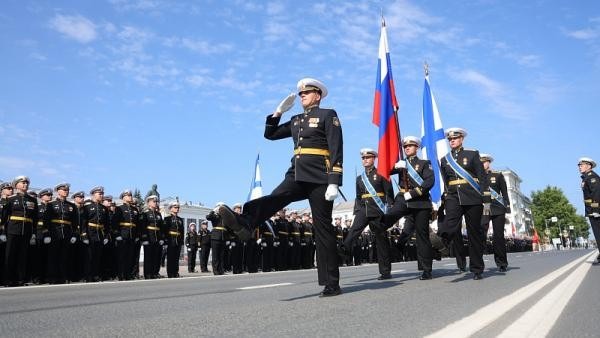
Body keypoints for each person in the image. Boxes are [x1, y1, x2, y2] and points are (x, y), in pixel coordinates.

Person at [213, 78, 344, 297]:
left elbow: (336, 147)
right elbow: (270, 135)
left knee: (323, 229)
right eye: (300, 93)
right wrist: (277, 112)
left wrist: (334, 181)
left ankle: (332, 282)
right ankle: (245, 222)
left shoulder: (328, 115)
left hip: (320, 176)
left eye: (307, 92)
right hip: (297, 173)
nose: (302, 95)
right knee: (276, 197)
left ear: (317, 95)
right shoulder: (296, 120)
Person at [438, 128, 490, 280]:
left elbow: (482, 177)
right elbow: (446, 181)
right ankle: (442, 243)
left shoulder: (472, 154)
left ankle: (477, 269)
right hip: (453, 196)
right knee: (450, 224)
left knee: (474, 233)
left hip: (472, 196)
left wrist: (486, 199)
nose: (452, 141)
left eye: (455, 138)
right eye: (450, 139)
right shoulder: (445, 159)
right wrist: (446, 196)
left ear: (462, 139)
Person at [342, 148, 394, 279]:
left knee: (381, 241)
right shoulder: (359, 178)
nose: (365, 160)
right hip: (363, 210)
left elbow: (389, 194)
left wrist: (389, 212)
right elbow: (358, 196)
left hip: (378, 210)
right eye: (363, 158)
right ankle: (342, 252)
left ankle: (385, 271)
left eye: (368, 157)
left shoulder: (382, 174)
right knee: (353, 231)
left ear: (374, 159)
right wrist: (357, 210)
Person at [2, 176, 38, 286]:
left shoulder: (32, 200)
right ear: (16, 185)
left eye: (26, 183)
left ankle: (20, 279)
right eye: (22, 183)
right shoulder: (11, 199)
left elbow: (35, 218)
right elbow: (4, 217)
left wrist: (33, 234)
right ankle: (8, 279)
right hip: (13, 230)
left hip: (26, 231)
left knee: (22, 256)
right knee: (10, 255)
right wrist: (3, 232)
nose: (25, 185)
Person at [480, 154, 511, 272]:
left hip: (498, 207)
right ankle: (479, 261)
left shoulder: (497, 175)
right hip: (486, 206)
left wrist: (507, 207)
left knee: (498, 236)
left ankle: (501, 262)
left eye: (485, 162)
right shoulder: (477, 176)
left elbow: (504, 192)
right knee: (481, 231)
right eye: (481, 162)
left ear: (489, 163)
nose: (483, 164)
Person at [45, 183, 78, 284]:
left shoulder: (71, 206)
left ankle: (63, 276)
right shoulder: (51, 204)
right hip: (55, 233)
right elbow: (46, 220)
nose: (66, 191)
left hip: (67, 233)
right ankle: (53, 277)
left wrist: (74, 235)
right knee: (53, 256)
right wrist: (47, 234)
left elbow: (75, 222)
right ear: (58, 191)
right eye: (64, 190)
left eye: (67, 190)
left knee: (64, 256)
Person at [112, 190, 139, 280]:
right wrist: (117, 234)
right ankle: (121, 275)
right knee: (122, 256)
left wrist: (137, 236)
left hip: (132, 236)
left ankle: (128, 274)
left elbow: (137, 224)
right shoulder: (119, 208)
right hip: (123, 235)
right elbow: (114, 222)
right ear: (123, 197)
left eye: (131, 195)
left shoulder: (134, 210)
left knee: (130, 256)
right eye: (128, 195)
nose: (130, 197)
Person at [579, 157, 600, 264]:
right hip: (591, 210)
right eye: (579, 165)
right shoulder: (586, 178)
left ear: (589, 166)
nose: (579, 167)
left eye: (581, 165)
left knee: (598, 233)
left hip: (595, 211)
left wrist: (596, 209)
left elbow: (596, 193)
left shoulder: (592, 177)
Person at [139, 195, 164, 279]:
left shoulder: (158, 214)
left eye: (157, 201)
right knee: (148, 257)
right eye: (154, 201)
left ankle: (155, 272)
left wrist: (161, 238)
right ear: (148, 202)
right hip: (149, 237)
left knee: (157, 256)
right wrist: (144, 238)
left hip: (157, 237)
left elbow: (161, 227)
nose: (156, 203)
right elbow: (143, 227)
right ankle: (148, 274)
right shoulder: (145, 214)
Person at [163, 201, 184, 278]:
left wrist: (181, 241)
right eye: (175, 207)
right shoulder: (167, 219)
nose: (177, 209)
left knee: (176, 258)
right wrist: (165, 241)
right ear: (170, 208)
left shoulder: (180, 219)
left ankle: (176, 272)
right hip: (170, 239)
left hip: (178, 240)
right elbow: (164, 230)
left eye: (178, 207)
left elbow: (181, 231)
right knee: (170, 257)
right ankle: (170, 273)